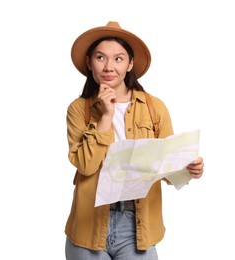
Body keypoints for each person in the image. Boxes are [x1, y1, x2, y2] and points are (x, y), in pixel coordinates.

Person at [64, 21, 204, 260]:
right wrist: (106, 117)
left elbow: (168, 168)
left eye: (118, 59)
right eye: (100, 58)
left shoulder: (154, 107)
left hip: (138, 227)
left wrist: (189, 169)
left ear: (130, 64)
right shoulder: (79, 109)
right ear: (89, 62)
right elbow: (85, 166)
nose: (109, 67)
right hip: (88, 225)